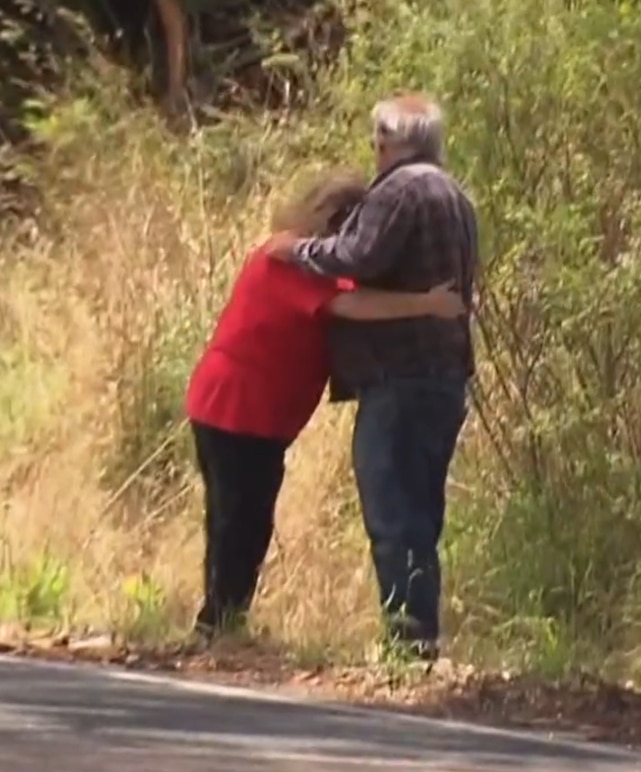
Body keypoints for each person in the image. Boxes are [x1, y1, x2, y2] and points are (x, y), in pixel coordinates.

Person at [184, 168, 468, 642]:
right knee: (238, 517)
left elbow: (356, 298)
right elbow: (354, 308)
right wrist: (426, 304)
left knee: (245, 517)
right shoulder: (289, 260)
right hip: (236, 406)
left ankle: (222, 620)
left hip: (257, 414)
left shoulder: (312, 267)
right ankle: (216, 623)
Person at [264, 94, 479, 661]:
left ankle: (408, 645)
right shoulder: (457, 196)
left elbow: (357, 256)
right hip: (447, 376)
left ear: (394, 141)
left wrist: (295, 250)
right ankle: (420, 637)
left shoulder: (402, 189)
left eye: (380, 140)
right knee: (421, 512)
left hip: (399, 376)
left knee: (391, 510)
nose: (376, 151)